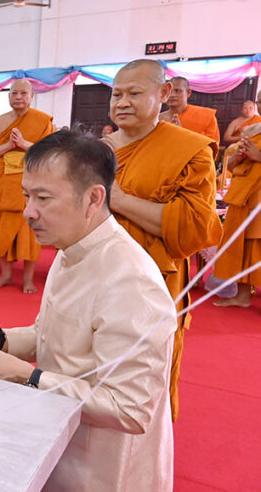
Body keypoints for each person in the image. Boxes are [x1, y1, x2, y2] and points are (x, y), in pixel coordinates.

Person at [0, 130, 175, 491]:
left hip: (101, 462)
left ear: (93, 198)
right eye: (26, 195)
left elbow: (130, 409)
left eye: (43, 198)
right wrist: (1, 338)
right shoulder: (72, 247)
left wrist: (28, 377)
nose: (28, 212)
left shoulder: (131, 280)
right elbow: (50, 333)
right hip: (55, 432)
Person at [102, 59, 222, 420]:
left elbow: (194, 229)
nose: (122, 102)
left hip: (152, 281)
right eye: (117, 94)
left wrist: (120, 200)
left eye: (134, 93)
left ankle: (145, 458)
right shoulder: (100, 149)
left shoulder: (190, 150)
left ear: (164, 93)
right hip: (97, 272)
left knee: (143, 374)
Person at [0, 79, 55, 293]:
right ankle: (5, 274)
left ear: (31, 96)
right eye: (14, 93)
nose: (19, 97)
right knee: (2, 228)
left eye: (24, 93)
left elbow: (51, 153)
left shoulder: (42, 121)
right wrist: (8, 145)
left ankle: (28, 279)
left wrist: (24, 145)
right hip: (4, 183)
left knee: (29, 231)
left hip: (31, 185)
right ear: (8, 96)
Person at [213, 129, 261, 308]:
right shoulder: (253, 131)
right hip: (243, 196)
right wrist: (238, 158)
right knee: (244, 244)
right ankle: (243, 297)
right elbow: (232, 167)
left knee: (257, 244)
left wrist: (258, 156)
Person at [159, 76, 221, 148]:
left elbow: (211, 147)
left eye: (177, 91)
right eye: (169, 91)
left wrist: (182, 135)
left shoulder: (206, 116)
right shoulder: (157, 119)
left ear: (188, 93)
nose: (172, 95)